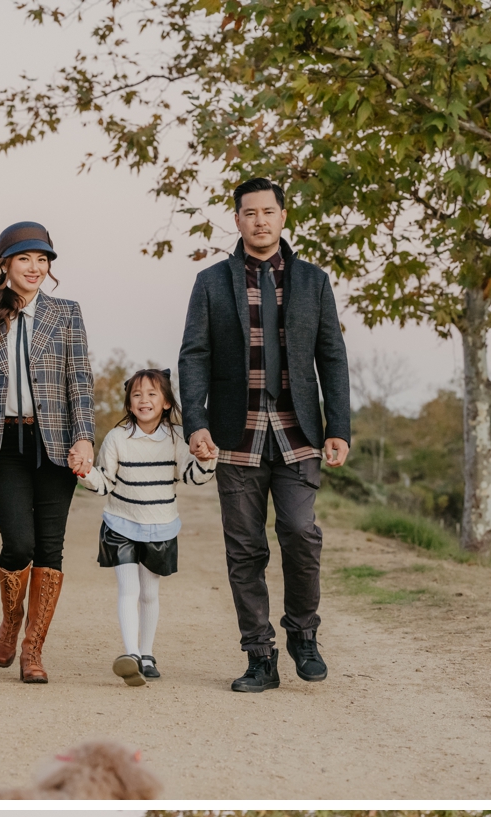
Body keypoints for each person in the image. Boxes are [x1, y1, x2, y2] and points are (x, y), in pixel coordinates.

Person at [177, 177, 351, 693]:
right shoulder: (211, 282)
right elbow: (194, 356)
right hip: (236, 434)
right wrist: (196, 420)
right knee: (245, 550)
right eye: (249, 213)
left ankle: (302, 633)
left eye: (268, 212)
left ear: (283, 216)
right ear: (237, 220)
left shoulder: (314, 281)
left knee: (301, 533)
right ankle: (259, 655)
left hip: (298, 432)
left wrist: (338, 426)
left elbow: (332, 357)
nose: (259, 220)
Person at [0, 222, 95, 684]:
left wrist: (85, 437)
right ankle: (11, 619)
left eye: (43, 260)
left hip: (55, 442)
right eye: (25, 259)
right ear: (5, 264)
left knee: (50, 549)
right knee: (19, 543)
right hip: (4, 443)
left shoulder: (67, 313)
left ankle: (32, 650)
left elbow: (81, 383)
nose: (36, 268)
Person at [76, 367, 217, 686]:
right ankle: (132, 656)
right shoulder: (117, 438)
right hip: (121, 524)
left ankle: (147, 652)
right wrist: (83, 473)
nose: (144, 400)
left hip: (160, 527)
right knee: (129, 589)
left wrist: (207, 460)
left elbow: (192, 476)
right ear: (128, 404)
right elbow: (105, 483)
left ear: (166, 401)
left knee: (149, 593)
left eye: (152, 394)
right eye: (137, 395)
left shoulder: (178, 437)